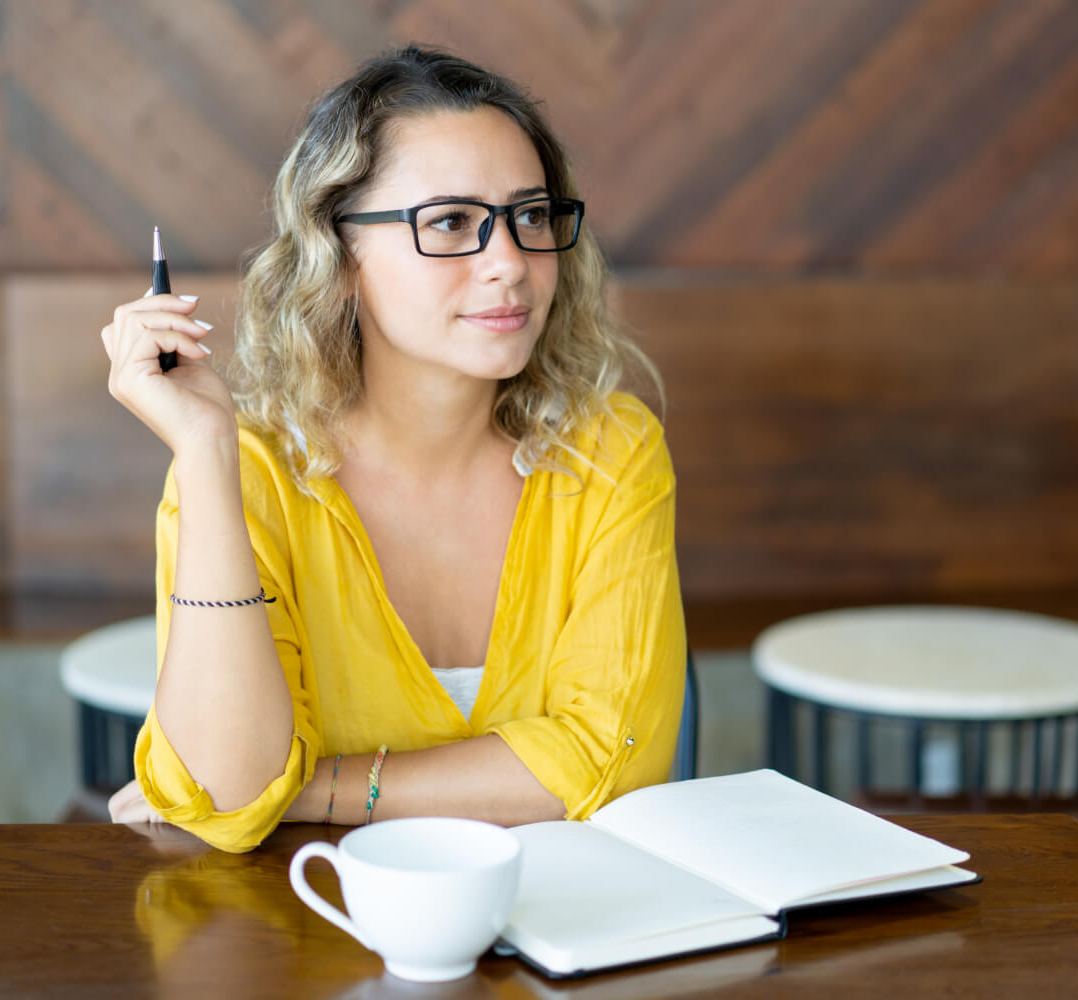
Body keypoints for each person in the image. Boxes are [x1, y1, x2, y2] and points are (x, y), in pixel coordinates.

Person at [101, 46, 685, 853]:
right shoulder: (249, 472)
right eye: (450, 222)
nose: (510, 263)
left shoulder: (609, 451)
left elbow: (611, 765)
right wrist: (204, 450)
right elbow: (232, 792)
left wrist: (313, 787)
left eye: (530, 215)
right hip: (311, 932)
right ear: (337, 258)